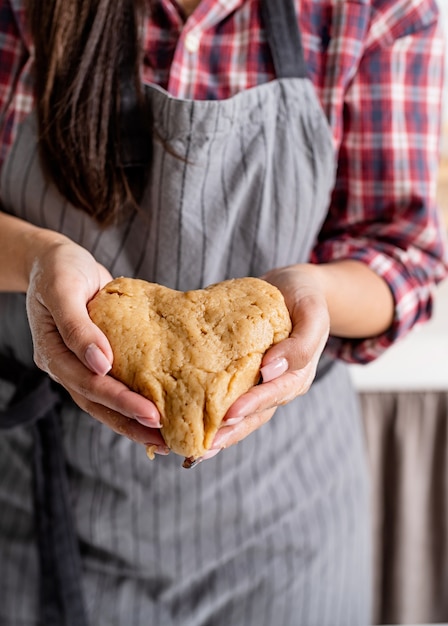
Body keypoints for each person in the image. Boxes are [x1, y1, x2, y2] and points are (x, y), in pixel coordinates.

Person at [0, 0, 446, 624]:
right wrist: (39, 255)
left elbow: (405, 254)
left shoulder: (377, 11)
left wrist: (312, 292)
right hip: (47, 511)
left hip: (286, 529)